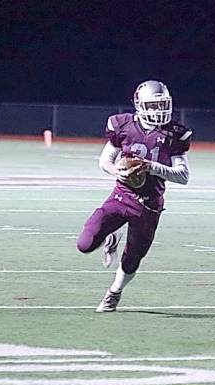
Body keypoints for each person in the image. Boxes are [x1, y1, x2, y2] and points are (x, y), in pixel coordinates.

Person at [76, 80, 192, 312]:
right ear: (140, 105)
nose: (159, 111)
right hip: (122, 196)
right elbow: (104, 161)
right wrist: (117, 170)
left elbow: (183, 175)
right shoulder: (123, 125)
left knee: (132, 260)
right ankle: (111, 236)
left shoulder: (174, 134)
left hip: (149, 206)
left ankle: (114, 293)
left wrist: (151, 167)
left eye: (162, 105)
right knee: (85, 244)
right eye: (153, 106)